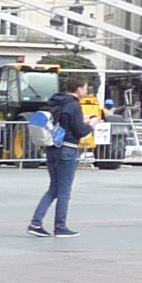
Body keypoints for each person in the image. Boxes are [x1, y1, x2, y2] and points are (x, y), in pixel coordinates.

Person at [28, 89, 87, 237]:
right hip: (67, 148)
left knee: (54, 188)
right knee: (64, 189)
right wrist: (91, 124)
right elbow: (80, 131)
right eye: (85, 88)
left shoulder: (54, 102)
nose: (86, 91)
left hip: (51, 147)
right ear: (79, 88)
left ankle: (36, 223)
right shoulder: (73, 105)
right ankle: (60, 226)